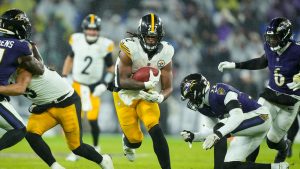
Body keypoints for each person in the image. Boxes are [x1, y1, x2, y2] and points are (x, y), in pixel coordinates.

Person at [1, 55, 114, 168]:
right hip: (46, 106)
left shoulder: (25, 66)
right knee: (31, 134)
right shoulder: (7, 72)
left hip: (66, 103)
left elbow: (20, 87)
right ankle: (55, 166)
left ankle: (104, 161)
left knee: (77, 147)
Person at [218, 17, 300, 162]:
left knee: (273, 141)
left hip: (291, 101)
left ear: (285, 36)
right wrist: (235, 65)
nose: (271, 41)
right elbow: (262, 61)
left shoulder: (297, 50)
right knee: (256, 129)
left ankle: (283, 149)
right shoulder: (269, 47)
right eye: (270, 37)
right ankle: (250, 164)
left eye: (275, 37)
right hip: (270, 95)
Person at [180, 73, 289, 169]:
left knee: (220, 128)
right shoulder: (204, 107)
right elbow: (213, 132)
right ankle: (278, 167)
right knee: (228, 166)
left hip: (261, 117)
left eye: (190, 97)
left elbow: (237, 116)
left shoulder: (219, 91)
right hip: (247, 128)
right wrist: (194, 136)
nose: (191, 101)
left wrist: (218, 133)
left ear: (199, 91)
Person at [112, 13, 173, 169]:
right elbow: (122, 81)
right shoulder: (129, 49)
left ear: (160, 36)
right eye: (148, 36)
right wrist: (146, 84)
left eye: (154, 37)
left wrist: (160, 97)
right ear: (140, 34)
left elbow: (168, 87)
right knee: (135, 141)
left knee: (155, 128)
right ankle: (127, 140)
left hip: (147, 94)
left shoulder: (166, 52)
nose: (151, 40)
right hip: (124, 94)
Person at [62, 14, 115, 161]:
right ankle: (75, 150)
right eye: (89, 29)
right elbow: (69, 58)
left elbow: (111, 69)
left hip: (94, 86)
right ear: (84, 29)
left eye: (95, 29)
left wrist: (104, 84)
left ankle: (96, 146)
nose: (92, 32)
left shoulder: (104, 44)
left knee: (92, 119)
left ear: (98, 30)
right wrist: (64, 76)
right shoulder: (76, 40)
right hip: (77, 84)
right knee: (75, 119)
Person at [0, 9, 44, 151]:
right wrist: (34, 48)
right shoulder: (20, 46)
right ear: (16, 26)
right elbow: (40, 69)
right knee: (19, 129)